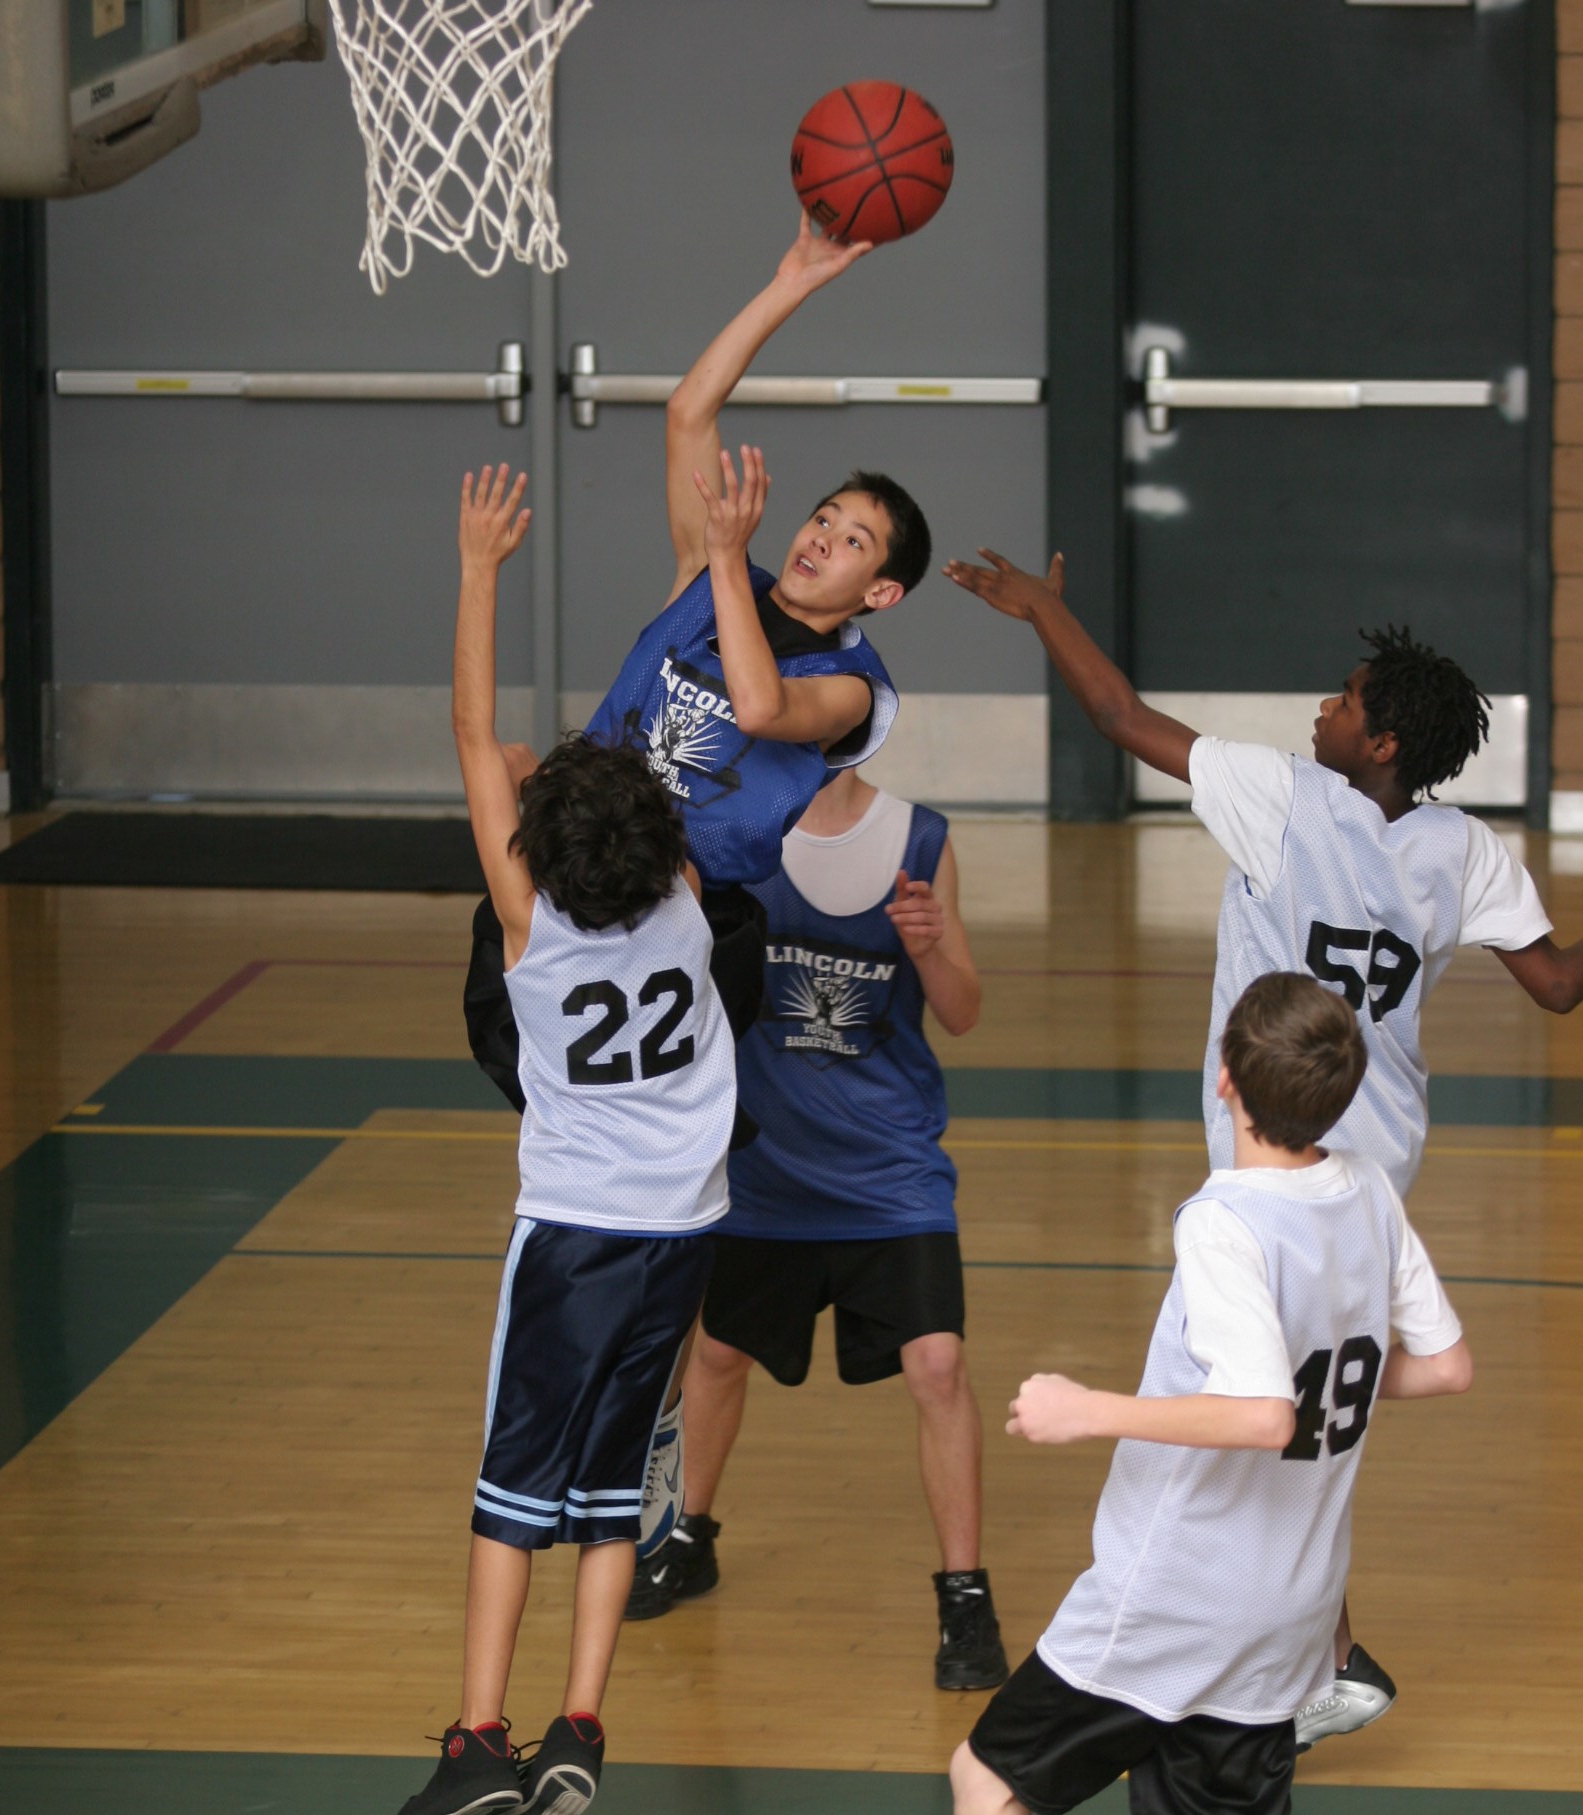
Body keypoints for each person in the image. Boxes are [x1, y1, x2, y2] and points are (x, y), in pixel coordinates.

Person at [944, 546, 1579, 1743]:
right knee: (1296, 1404)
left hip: (1274, 1165)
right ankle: (1320, 1653)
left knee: (1253, 1411)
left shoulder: (1283, 796)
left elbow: (1116, 714)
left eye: (1341, 702)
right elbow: (1553, 985)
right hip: (1374, 1170)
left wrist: (1038, 610)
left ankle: (1280, 1662)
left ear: (1380, 743)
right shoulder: (1464, 849)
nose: (1320, 711)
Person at [399, 465, 736, 1815]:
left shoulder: (529, 924)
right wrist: (719, 557)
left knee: (511, 1489)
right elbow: (587, 765)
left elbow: (475, 732)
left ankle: (478, 1741)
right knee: (608, 1488)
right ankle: (579, 1726)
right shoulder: (693, 899)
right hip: (684, 1230)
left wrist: (480, 566)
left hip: (577, 1234)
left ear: (532, 850)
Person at [950, 972, 1473, 1815]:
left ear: (1223, 1077)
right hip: (1293, 1605)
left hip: (1175, 1592)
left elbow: (1263, 1414)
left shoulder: (1223, 1219)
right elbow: (1446, 1364)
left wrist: (1088, 1410)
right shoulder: (1369, 1188)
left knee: (987, 1777)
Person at [465, 212, 932, 1099]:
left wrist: (723, 559)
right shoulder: (711, 573)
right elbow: (689, 411)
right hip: (578, 872)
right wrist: (789, 281)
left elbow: (760, 708)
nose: (823, 537)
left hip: (690, 919)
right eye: (824, 516)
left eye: (855, 541)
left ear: (882, 593)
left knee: (651, 1125)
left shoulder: (853, 691)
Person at [623, 764, 1010, 1692]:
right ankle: (690, 1535)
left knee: (940, 1364)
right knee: (716, 1355)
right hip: (765, 1166)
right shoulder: (726, 836)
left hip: (890, 1173)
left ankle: (965, 1596)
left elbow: (961, 1010)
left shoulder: (921, 838)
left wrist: (927, 948)